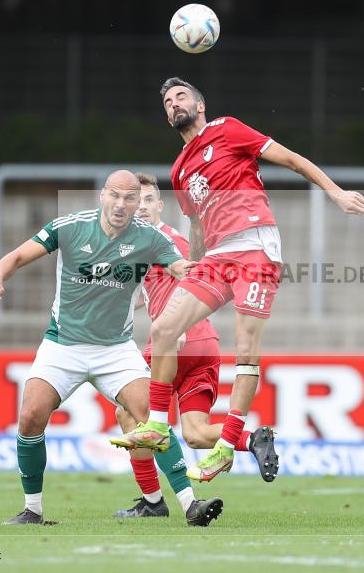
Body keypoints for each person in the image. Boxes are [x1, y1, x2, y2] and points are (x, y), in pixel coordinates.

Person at [111, 77, 364, 482]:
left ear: (200, 106)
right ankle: (159, 424)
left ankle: (225, 447)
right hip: (216, 257)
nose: (173, 104)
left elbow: (291, 160)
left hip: (256, 245)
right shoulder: (179, 170)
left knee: (246, 348)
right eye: (166, 101)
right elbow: (197, 229)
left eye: (181, 97)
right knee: (164, 328)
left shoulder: (227, 130)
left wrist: (334, 192)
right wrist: (192, 267)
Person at [0, 169, 221, 526]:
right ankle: (33, 510)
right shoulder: (70, 226)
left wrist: (203, 272)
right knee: (31, 416)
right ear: (102, 196)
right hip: (63, 344)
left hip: (115, 349)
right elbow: (14, 257)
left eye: (130, 198)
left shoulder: (150, 238)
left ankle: (190, 505)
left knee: (151, 419)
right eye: (115, 196)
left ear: (138, 203)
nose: (122, 204)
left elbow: (180, 267)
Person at [113, 174, 278, 519]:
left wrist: (178, 329)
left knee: (128, 413)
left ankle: (153, 502)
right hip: (205, 346)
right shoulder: (145, 245)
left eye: (146, 201)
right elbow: (148, 290)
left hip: (176, 341)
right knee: (195, 433)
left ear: (160, 206)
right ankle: (251, 440)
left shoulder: (164, 240)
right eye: (134, 201)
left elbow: (194, 275)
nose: (139, 207)